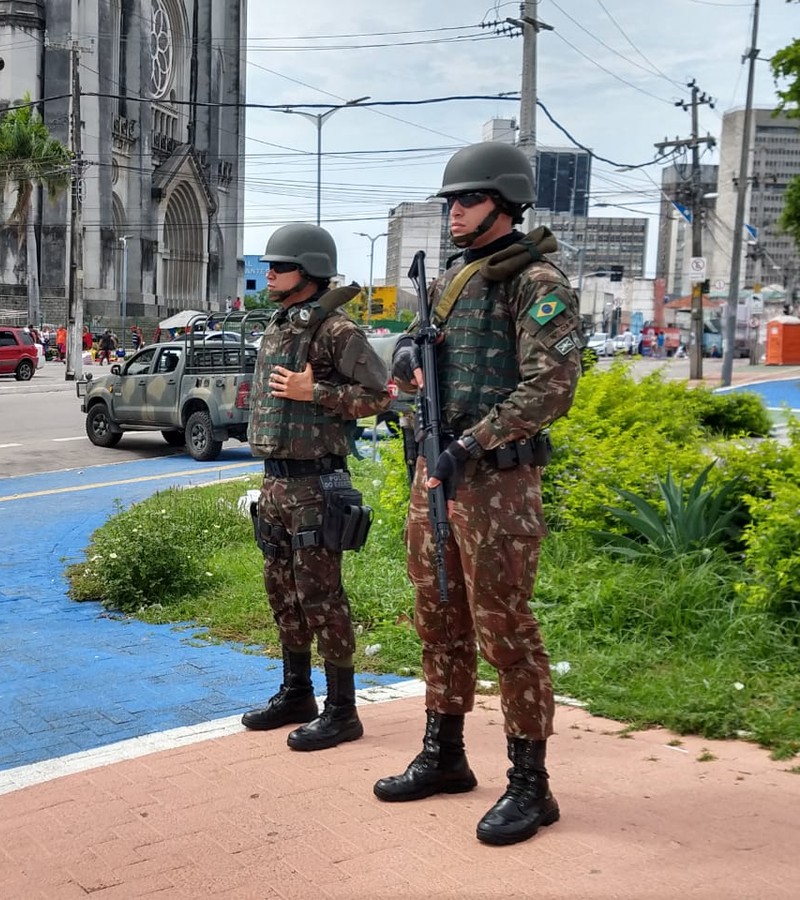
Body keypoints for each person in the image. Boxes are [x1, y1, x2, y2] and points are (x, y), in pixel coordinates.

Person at [373, 141, 582, 846]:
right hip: (438, 473)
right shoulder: (453, 280)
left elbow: (552, 386)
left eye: (466, 200)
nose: (453, 211)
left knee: (506, 629)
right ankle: (445, 753)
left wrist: (472, 442)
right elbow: (415, 352)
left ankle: (531, 785)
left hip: (495, 481)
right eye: (450, 201)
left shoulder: (535, 281)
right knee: (438, 616)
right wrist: (405, 357)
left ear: (504, 202)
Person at [242, 222, 392, 753]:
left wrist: (318, 392)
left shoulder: (337, 331)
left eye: (278, 266)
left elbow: (380, 395)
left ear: (306, 271)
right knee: (281, 591)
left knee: (321, 596)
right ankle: (297, 692)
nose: (269, 274)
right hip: (278, 483)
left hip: (316, 484)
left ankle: (343, 710)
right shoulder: (284, 323)